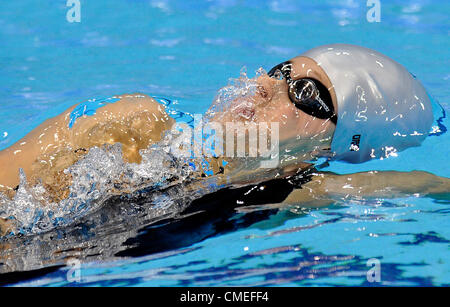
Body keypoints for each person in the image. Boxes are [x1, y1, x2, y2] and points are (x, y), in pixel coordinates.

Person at [0, 44, 448, 223]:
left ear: (340, 140)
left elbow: (415, 187)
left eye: (304, 90)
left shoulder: (288, 192)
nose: (265, 84)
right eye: (280, 71)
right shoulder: (136, 126)